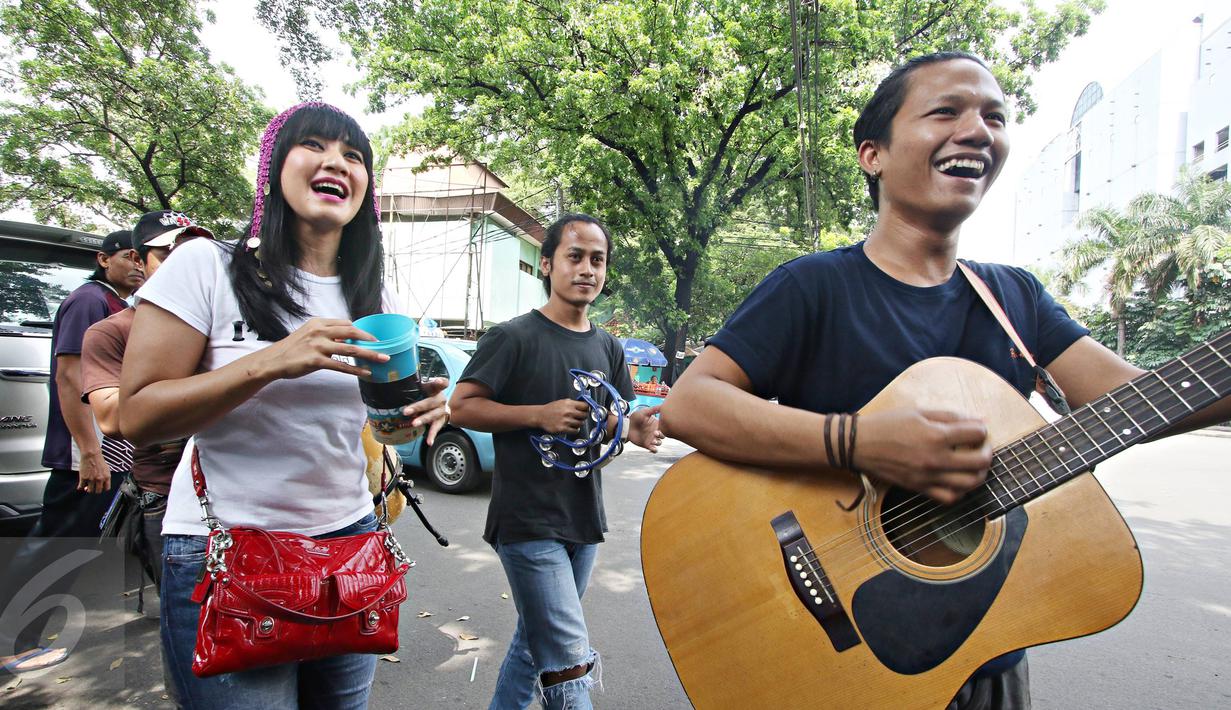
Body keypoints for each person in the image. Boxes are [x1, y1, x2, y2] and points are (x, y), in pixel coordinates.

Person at [659, 51, 1231, 710]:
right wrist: (857, 442)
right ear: (871, 154)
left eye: (994, 116)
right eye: (945, 111)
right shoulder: (812, 287)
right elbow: (691, 405)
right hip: (843, 659)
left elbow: (1138, 398)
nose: (978, 131)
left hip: (979, 653)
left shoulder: (1014, 295)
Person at [117, 103, 449, 708]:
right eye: (314, 146)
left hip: (350, 544)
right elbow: (137, 415)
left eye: (354, 156)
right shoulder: (207, 266)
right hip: (229, 549)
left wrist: (418, 413)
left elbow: (377, 432)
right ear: (275, 167)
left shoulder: (374, 296)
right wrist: (274, 359)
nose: (336, 162)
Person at [449, 214, 665, 710]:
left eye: (598, 259)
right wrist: (538, 415)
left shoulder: (608, 346)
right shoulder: (513, 337)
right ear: (547, 264)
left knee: (534, 647)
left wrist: (632, 429)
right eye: (574, 256)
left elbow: (611, 417)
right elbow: (460, 406)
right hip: (526, 522)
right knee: (567, 661)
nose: (587, 268)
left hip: (583, 520)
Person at [0, 230, 144, 673]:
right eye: (129, 256)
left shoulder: (121, 305)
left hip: (113, 450)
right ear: (103, 259)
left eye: (143, 258)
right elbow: (69, 378)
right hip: (87, 453)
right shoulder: (90, 301)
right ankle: (14, 643)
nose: (138, 265)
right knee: (59, 544)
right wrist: (89, 451)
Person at [81, 210, 215, 591]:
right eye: (170, 253)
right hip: (168, 495)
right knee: (191, 629)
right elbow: (111, 417)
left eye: (197, 251)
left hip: (239, 493)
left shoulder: (224, 323)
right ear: (138, 261)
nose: (188, 263)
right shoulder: (111, 332)